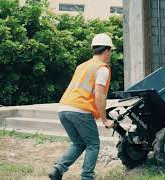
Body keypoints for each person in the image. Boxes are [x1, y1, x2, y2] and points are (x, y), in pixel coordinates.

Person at [48, 33, 115, 180]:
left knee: (78, 143)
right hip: (80, 110)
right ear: (107, 50)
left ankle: (58, 169)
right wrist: (105, 120)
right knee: (93, 144)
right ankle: (87, 177)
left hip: (64, 108)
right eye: (111, 51)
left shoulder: (82, 66)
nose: (110, 54)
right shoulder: (102, 68)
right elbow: (99, 95)